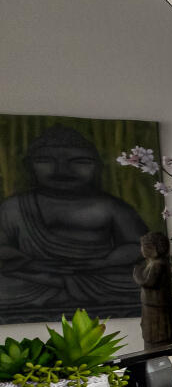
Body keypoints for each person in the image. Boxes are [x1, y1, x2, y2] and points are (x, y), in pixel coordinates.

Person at [0, 125, 149, 322]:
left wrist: (104, 262)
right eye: (45, 161)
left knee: (142, 282)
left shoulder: (110, 206)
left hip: (98, 275)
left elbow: (138, 246)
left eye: (79, 161)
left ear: (97, 166)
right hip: (36, 276)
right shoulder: (15, 206)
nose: (62, 170)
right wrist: (33, 264)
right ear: (28, 166)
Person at [133, 230, 172, 348]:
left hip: (157, 307)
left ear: (153, 248)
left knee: (157, 337)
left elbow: (149, 282)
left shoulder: (158, 264)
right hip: (151, 306)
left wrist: (137, 275)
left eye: (144, 247)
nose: (142, 250)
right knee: (150, 335)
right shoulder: (152, 263)